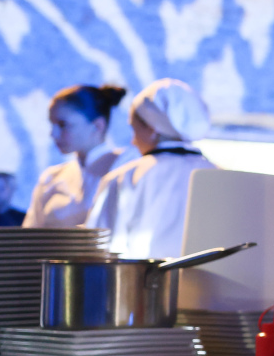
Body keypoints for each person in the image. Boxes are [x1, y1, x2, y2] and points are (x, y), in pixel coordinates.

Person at [86, 79, 216, 258]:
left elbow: (98, 252)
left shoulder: (126, 177)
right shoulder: (222, 176)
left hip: (143, 276)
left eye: (134, 130)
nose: (133, 141)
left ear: (152, 129)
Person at [24, 84, 131, 228]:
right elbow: (30, 234)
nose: (53, 134)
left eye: (63, 125)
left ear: (97, 126)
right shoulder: (51, 178)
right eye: (52, 124)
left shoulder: (126, 166)